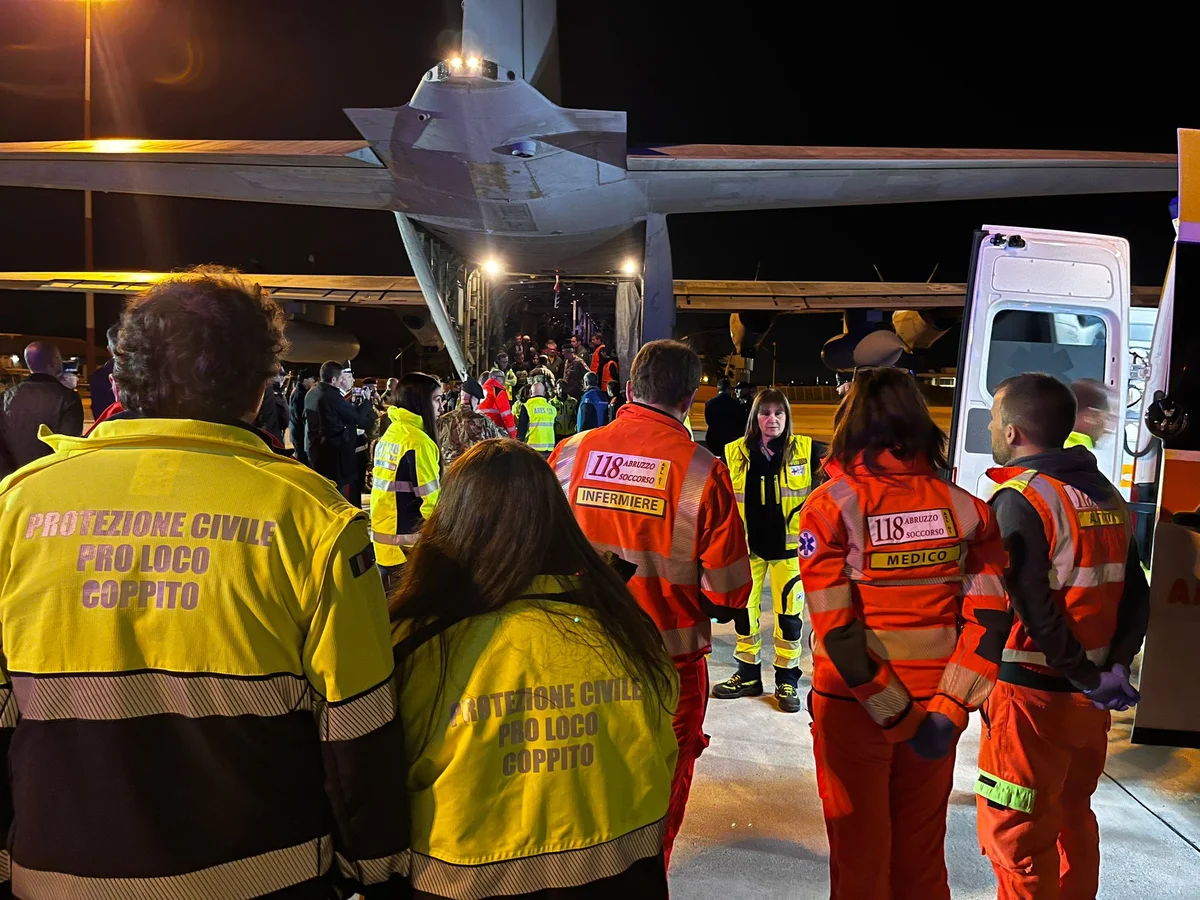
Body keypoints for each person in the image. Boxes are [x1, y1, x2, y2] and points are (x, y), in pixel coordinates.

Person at [0, 269, 407, 899]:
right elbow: (356, 731)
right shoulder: (313, 520)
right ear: (257, 386)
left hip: (53, 875)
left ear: (124, 373)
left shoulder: (18, 509)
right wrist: (374, 868)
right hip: (262, 875)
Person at [390, 439, 679, 897]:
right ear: (557, 520)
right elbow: (664, 748)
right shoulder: (625, 627)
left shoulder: (417, 643)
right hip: (623, 878)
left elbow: (378, 786)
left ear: (452, 524)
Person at [797, 367, 1009, 900]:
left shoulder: (830, 507)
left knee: (860, 860)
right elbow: (990, 621)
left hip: (856, 709)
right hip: (937, 709)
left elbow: (839, 630)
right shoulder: (966, 509)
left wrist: (901, 717)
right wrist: (947, 712)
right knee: (920, 860)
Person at [549, 339, 751, 865]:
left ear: (631, 387)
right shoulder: (703, 470)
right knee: (653, 819)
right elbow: (727, 591)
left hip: (573, 657)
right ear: (689, 397)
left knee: (579, 800)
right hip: (666, 670)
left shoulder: (571, 454)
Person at [978, 373, 1149, 900]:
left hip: (1033, 700)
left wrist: (1082, 674)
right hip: (1089, 700)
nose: (990, 426)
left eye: (992, 419)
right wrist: (1112, 670)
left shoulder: (1021, 498)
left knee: (1017, 836)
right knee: (1073, 818)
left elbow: (1033, 608)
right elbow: (1135, 593)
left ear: (1012, 434)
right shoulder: (1105, 495)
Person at [712, 389, 826, 712]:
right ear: (755, 417)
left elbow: (839, 479)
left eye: (779, 413)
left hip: (788, 551)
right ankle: (748, 674)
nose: (772, 419)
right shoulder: (734, 452)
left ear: (787, 417)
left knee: (789, 619)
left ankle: (786, 678)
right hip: (748, 550)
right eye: (765, 413)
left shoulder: (806, 449)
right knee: (744, 615)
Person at [371, 372, 443, 589]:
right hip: (407, 550)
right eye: (437, 399)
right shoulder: (418, 442)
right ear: (422, 401)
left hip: (385, 544)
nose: (441, 407)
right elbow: (431, 503)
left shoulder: (392, 433)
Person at [0, 341, 85, 479]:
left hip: (12, 482)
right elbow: (69, 448)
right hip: (50, 480)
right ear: (55, 361)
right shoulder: (69, 399)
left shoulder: (5, 397)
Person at [304, 360, 375, 499]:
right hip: (334, 455)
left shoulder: (312, 392)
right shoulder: (332, 397)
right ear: (334, 379)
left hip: (316, 450)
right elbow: (356, 417)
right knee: (338, 495)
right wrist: (367, 401)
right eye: (343, 378)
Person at [436, 374, 505, 465]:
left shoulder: (443, 420)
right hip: (474, 472)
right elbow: (502, 443)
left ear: (460, 397)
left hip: (448, 473)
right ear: (473, 399)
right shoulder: (484, 422)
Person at [704, 377, 749, 461]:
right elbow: (740, 422)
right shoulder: (735, 404)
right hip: (730, 439)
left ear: (718, 388)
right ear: (728, 389)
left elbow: (708, 420)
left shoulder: (709, 403)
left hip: (713, 439)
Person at [1065, 377, 1113, 453]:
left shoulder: (1047, 445)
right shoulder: (1082, 457)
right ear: (1091, 416)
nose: (1108, 430)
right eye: (1107, 418)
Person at [517, 378, 556, 456]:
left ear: (530, 392)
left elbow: (522, 429)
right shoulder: (552, 408)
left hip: (532, 449)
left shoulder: (527, 407)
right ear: (544, 393)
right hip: (550, 448)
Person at [254, 366, 290, 447]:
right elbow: (284, 419)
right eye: (281, 376)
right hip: (273, 438)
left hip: (257, 438)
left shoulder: (258, 388)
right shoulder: (275, 393)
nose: (282, 378)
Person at [478, 368, 517, 438]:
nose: (504, 381)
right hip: (494, 427)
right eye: (502, 378)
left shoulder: (483, 389)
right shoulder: (497, 390)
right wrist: (513, 435)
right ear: (493, 377)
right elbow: (506, 415)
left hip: (481, 428)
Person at [289, 370, 316, 465]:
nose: (313, 381)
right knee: (302, 460)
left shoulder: (301, 392)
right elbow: (299, 415)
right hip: (299, 433)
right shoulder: (299, 394)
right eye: (311, 378)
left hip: (298, 432)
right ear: (304, 380)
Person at [552, 380, 578, 445]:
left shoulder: (573, 402)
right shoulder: (551, 403)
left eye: (563, 388)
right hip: (557, 434)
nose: (561, 391)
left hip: (571, 433)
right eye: (559, 388)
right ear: (556, 389)